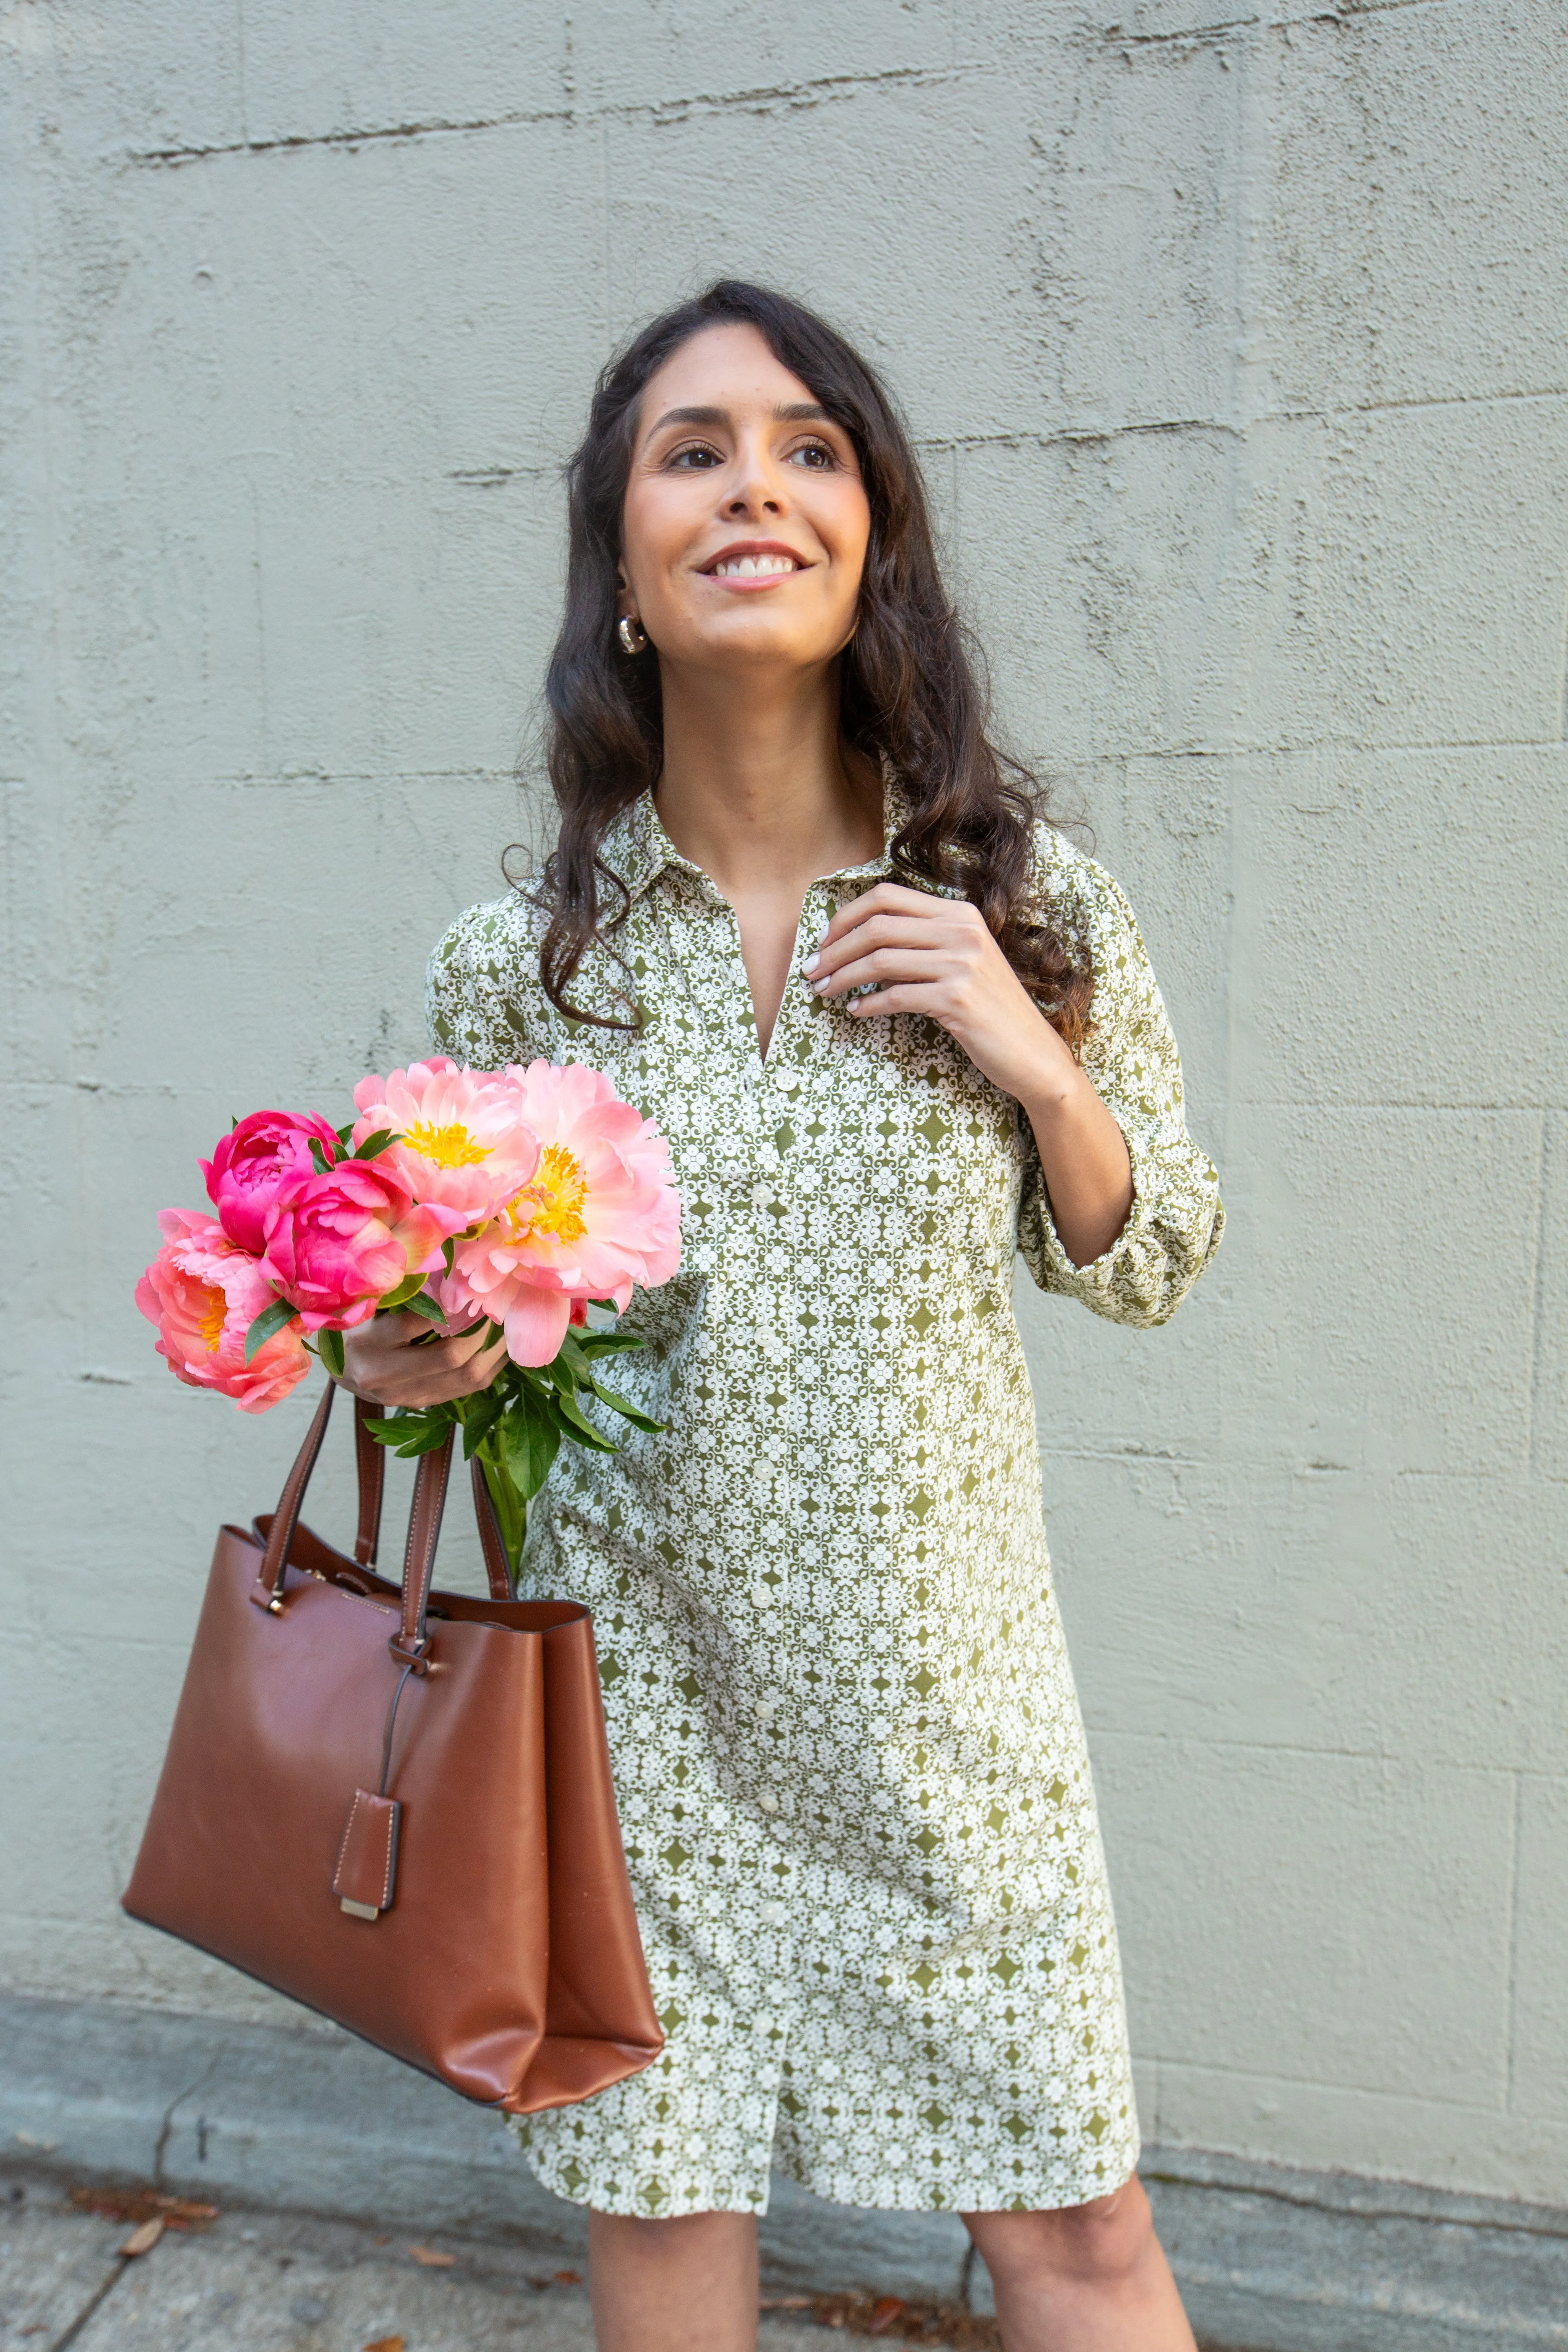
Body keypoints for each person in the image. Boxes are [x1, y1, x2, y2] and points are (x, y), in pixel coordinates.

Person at [343, 281, 1223, 2352]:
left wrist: (1037, 1056)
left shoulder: (1022, 906)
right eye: (696, 446)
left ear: (872, 542)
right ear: (626, 567)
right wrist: (404, 1370)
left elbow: (1158, 1252)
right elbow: (450, 1373)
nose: (758, 484)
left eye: (810, 447)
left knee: (1081, 2241)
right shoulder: (523, 966)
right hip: (638, 1727)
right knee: (662, 2234)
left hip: (948, 1740)